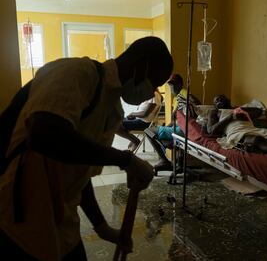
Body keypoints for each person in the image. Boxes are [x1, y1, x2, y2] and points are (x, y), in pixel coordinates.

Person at [0, 36, 173, 260]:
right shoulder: (76, 72)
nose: (153, 92)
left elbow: (81, 173)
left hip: (62, 221)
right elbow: (44, 134)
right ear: (142, 64)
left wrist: (102, 228)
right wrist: (126, 160)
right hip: (19, 220)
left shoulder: (111, 110)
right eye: (155, 82)